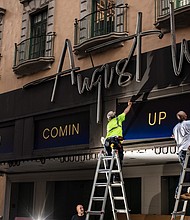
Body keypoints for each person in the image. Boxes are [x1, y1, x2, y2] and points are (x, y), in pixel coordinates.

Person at [104, 100, 132, 182]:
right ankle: (116, 177)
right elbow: (125, 111)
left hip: (107, 141)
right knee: (119, 157)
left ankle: (110, 176)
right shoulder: (118, 119)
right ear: (114, 115)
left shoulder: (108, 124)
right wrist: (129, 105)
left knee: (109, 158)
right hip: (115, 140)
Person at [173, 111, 190, 200]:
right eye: (185, 114)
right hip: (186, 151)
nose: (186, 115)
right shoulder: (187, 123)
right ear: (183, 116)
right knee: (186, 172)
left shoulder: (175, 127)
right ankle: (180, 192)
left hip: (181, 152)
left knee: (186, 171)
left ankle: (181, 191)